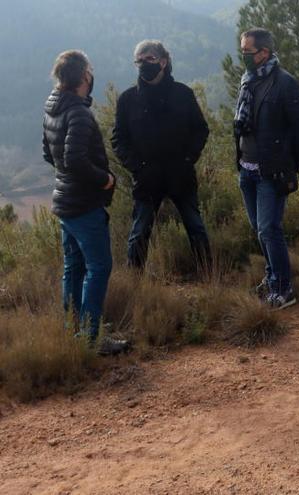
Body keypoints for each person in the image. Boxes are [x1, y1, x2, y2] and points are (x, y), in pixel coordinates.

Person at [42, 50, 129, 355]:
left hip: (65, 203)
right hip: (83, 205)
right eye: (90, 70)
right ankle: (91, 339)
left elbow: (49, 154)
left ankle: (74, 332)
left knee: (73, 268)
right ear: (83, 77)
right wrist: (105, 179)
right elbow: (75, 159)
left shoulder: (52, 107)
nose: (93, 75)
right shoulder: (78, 112)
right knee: (99, 266)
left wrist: (67, 178)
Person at [111, 40, 211, 273]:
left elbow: (200, 129)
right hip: (147, 179)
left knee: (196, 228)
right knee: (139, 233)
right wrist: (137, 167)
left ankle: (210, 278)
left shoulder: (183, 94)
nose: (144, 64)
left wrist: (188, 159)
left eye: (150, 59)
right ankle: (133, 286)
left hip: (181, 175)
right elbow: (118, 139)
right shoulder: (127, 100)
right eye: (140, 60)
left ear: (163, 62)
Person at [234, 28, 299, 309]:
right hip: (247, 169)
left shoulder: (285, 83)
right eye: (242, 50)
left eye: (247, 52)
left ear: (264, 53)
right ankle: (271, 278)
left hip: (271, 172)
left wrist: (293, 165)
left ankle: (283, 288)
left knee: (269, 229)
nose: (242, 56)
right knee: (259, 230)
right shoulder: (248, 80)